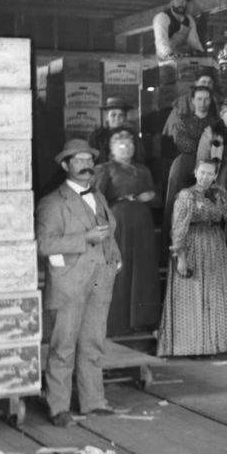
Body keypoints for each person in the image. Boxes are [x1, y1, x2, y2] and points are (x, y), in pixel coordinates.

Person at [35, 139, 123, 425]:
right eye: (78, 160)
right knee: (63, 346)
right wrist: (84, 239)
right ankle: (58, 407)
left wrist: (115, 259)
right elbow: (44, 244)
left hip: (99, 281)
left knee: (93, 343)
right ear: (65, 166)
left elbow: (109, 232)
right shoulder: (51, 203)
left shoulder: (98, 196)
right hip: (69, 283)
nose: (86, 165)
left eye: (89, 160)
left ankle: (93, 401)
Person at [158, 157, 227, 359]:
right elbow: (178, 229)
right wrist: (181, 258)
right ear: (195, 172)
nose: (205, 177)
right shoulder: (186, 195)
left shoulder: (220, 193)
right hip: (192, 246)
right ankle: (191, 347)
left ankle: (213, 344)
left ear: (215, 175)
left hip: (215, 246)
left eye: (210, 173)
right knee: (193, 294)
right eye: (202, 172)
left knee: (214, 293)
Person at [92, 128, 160, 338]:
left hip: (142, 223)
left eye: (130, 145)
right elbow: (96, 200)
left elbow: (157, 199)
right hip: (119, 222)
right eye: (121, 145)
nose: (126, 149)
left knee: (142, 270)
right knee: (120, 269)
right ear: (112, 149)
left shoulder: (143, 170)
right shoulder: (105, 169)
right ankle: (117, 322)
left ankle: (141, 321)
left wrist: (150, 196)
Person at [162, 78, 223, 227]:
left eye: (206, 99)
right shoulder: (183, 121)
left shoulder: (217, 123)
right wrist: (206, 144)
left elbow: (220, 144)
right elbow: (185, 145)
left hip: (208, 168)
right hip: (184, 166)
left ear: (211, 101)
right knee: (180, 206)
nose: (203, 103)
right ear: (193, 101)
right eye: (199, 99)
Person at [152, 0, 206, 80]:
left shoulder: (189, 20)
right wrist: (169, 54)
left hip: (183, 59)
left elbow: (193, 40)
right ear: (172, 2)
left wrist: (200, 53)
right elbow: (161, 40)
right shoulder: (162, 17)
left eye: (183, 1)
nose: (181, 4)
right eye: (178, 1)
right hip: (164, 60)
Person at [89, 94, 135, 162]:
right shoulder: (97, 136)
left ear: (124, 118)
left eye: (120, 115)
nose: (117, 118)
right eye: (113, 115)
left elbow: (139, 158)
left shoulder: (132, 136)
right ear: (107, 116)